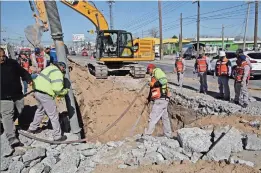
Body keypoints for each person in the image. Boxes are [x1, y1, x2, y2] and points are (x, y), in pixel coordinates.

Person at [27, 62, 69, 141]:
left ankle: (32, 128)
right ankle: (57, 136)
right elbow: (57, 89)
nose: (63, 71)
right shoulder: (57, 72)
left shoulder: (49, 68)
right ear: (62, 67)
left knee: (40, 110)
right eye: (64, 69)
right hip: (45, 94)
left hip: (37, 91)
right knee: (53, 115)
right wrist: (65, 91)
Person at [0, 48, 32, 148]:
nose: (2, 58)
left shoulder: (12, 63)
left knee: (19, 109)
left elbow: (23, 72)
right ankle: (12, 138)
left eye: (3, 56)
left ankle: (4, 124)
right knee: (7, 114)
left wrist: (28, 79)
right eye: (0, 57)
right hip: (3, 96)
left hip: (17, 94)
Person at [144, 64, 172, 138]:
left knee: (153, 117)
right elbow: (152, 90)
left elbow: (164, 80)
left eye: (148, 71)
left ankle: (147, 135)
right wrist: (149, 99)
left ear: (150, 69)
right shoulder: (154, 77)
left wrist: (153, 84)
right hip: (162, 99)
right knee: (165, 117)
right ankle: (168, 135)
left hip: (161, 98)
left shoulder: (157, 71)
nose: (148, 73)